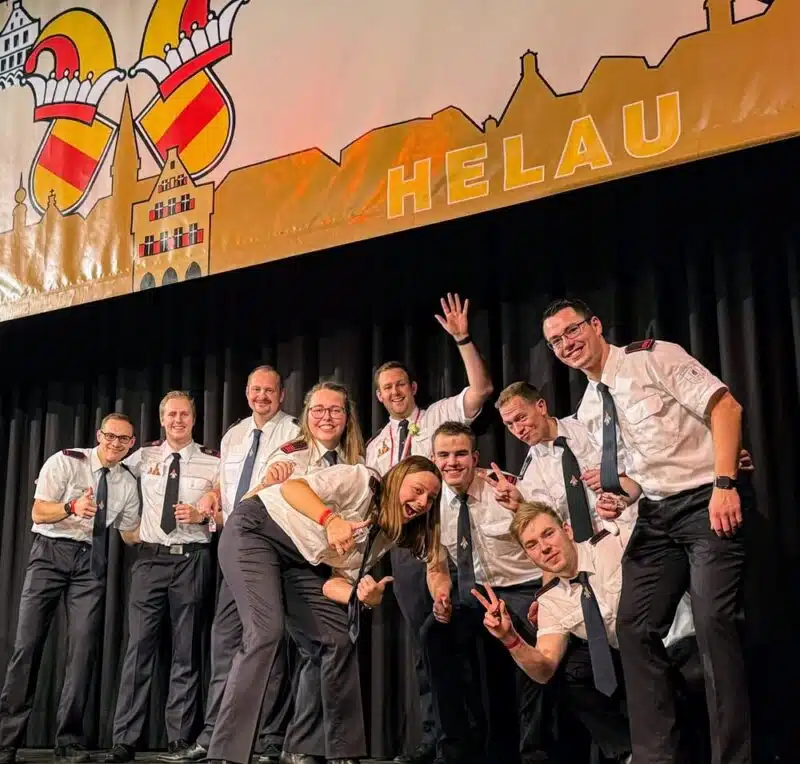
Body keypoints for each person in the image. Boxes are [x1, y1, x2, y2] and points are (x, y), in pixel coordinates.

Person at [542, 297, 752, 764]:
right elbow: (639, 475)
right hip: (657, 515)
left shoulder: (653, 357)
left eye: (571, 331)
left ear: (595, 325)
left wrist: (724, 483)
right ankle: (658, 756)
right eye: (554, 341)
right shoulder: (591, 405)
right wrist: (622, 495)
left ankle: (734, 757)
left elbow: (726, 409)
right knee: (634, 626)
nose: (565, 344)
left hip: (705, 501)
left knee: (714, 623)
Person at [207, 454, 443, 764]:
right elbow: (293, 489)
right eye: (418, 489)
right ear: (398, 479)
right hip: (257, 529)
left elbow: (333, 583)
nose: (423, 501)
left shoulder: (386, 535)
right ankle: (227, 754)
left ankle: (312, 747)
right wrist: (330, 520)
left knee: (337, 639)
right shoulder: (362, 480)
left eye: (431, 498)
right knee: (266, 632)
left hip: (302, 563)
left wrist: (363, 597)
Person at [366, 293, 493, 764]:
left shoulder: (440, 415)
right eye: (385, 388)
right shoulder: (377, 446)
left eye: (400, 384)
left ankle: (470, 736)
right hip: (405, 550)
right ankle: (435, 737)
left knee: (463, 639)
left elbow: (480, 390)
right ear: (378, 396)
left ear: (413, 387)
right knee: (424, 644)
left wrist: (461, 338)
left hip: (449, 541)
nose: (394, 392)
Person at [476, 503, 698, 763]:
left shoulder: (613, 544)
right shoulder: (551, 600)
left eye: (548, 534)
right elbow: (544, 668)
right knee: (569, 670)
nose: (544, 548)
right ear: (528, 556)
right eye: (532, 545)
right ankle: (627, 752)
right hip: (636, 666)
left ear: (567, 530)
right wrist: (509, 638)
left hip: (677, 644)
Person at [158, 366, 299, 764]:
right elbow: (223, 485)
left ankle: (268, 740)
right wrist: (211, 500)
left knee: (268, 641)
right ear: (246, 392)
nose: (262, 397)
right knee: (224, 645)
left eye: (269, 391)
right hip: (233, 546)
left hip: (274, 544)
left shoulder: (295, 433)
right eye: (256, 389)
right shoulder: (234, 435)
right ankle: (215, 738)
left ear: (282, 395)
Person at [0, 414, 140, 764]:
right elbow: (37, 512)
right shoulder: (66, 461)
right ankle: (5, 742)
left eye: (124, 439)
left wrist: (180, 533)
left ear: (132, 444)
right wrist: (71, 507)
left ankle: (69, 743)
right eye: (110, 436)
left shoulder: (125, 482)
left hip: (90, 562)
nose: (115, 444)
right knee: (27, 647)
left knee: (82, 652)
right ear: (99, 435)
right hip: (50, 554)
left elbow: (131, 532)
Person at [249, 380, 364, 764]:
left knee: (330, 647)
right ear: (306, 415)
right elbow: (257, 501)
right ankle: (293, 745)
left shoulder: (356, 461)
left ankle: (305, 746)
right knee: (309, 646)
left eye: (335, 410)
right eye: (318, 409)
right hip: (280, 564)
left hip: (322, 566)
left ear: (347, 417)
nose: (326, 417)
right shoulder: (290, 454)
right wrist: (270, 479)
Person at [104, 392, 221, 763]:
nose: (177, 420)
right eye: (171, 414)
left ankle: (179, 738)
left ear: (194, 418)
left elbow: (225, 511)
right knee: (139, 648)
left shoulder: (212, 462)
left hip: (192, 559)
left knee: (186, 651)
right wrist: (128, 528)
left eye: (184, 414)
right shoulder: (144, 456)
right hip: (149, 563)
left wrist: (203, 518)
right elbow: (113, 474)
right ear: (161, 419)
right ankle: (125, 738)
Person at [421, 422, 541, 764]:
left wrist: (519, 507)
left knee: (518, 650)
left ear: (475, 457)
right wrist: (440, 596)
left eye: (460, 454)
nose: (452, 462)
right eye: (444, 455)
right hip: (471, 594)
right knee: (434, 633)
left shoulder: (503, 489)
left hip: (522, 589)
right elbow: (437, 565)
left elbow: (547, 538)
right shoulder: (432, 500)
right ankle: (456, 749)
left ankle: (529, 752)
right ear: (434, 458)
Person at [494, 381, 639, 537]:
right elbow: (549, 528)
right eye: (509, 425)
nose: (518, 430)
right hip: (586, 552)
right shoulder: (530, 474)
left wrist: (611, 480)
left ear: (541, 407)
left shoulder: (588, 426)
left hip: (632, 531)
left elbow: (638, 475)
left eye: (521, 418)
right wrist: (520, 505)